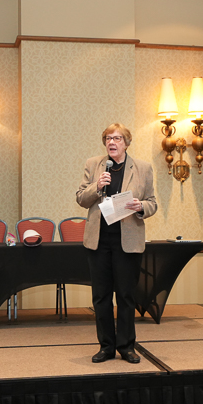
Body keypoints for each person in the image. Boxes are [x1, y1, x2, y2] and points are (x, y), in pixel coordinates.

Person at [76, 123, 157, 364]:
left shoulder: (143, 168)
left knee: (125, 295)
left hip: (127, 241)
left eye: (118, 138)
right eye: (108, 138)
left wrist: (141, 206)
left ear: (127, 143)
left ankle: (126, 347)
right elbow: (81, 198)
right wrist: (97, 186)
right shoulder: (94, 165)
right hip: (99, 240)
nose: (112, 142)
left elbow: (152, 203)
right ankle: (106, 347)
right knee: (101, 297)